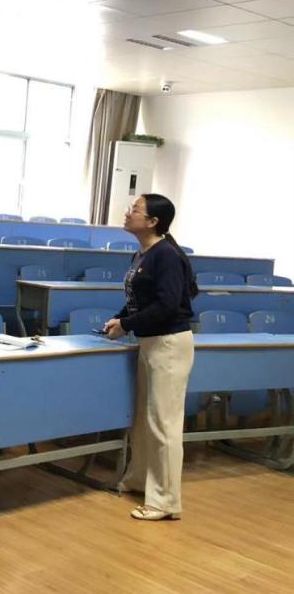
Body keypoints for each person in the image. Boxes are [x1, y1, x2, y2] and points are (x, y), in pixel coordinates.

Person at [103, 193, 197, 521]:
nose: (128, 213)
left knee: (164, 424)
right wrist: (120, 318)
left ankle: (165, 501)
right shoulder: (144, 253)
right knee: (144, 420)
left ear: (153, 221)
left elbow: (168, 305)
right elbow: (139, 300)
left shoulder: (166, 255)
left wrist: (127, 325)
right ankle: (140, 480)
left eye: (136, 209)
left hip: (169, 344)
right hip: (150, 342)